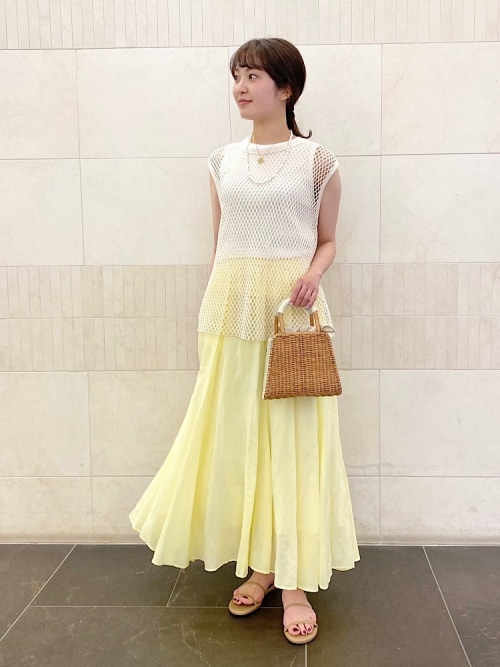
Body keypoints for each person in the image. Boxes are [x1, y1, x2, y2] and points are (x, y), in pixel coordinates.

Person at [130, 37, 359, 645]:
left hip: (293, 314)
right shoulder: (221, 162)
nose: (240, 86)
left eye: (253, 75)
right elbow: (221, 243)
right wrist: (212, 306)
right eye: (236, 75)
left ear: (286, 88)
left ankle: (295, 583)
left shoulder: (317, 162)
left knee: (294, 444)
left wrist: (313, 274)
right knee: (241, 441)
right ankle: (260, 567)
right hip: (231, 311)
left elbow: (327, 240)